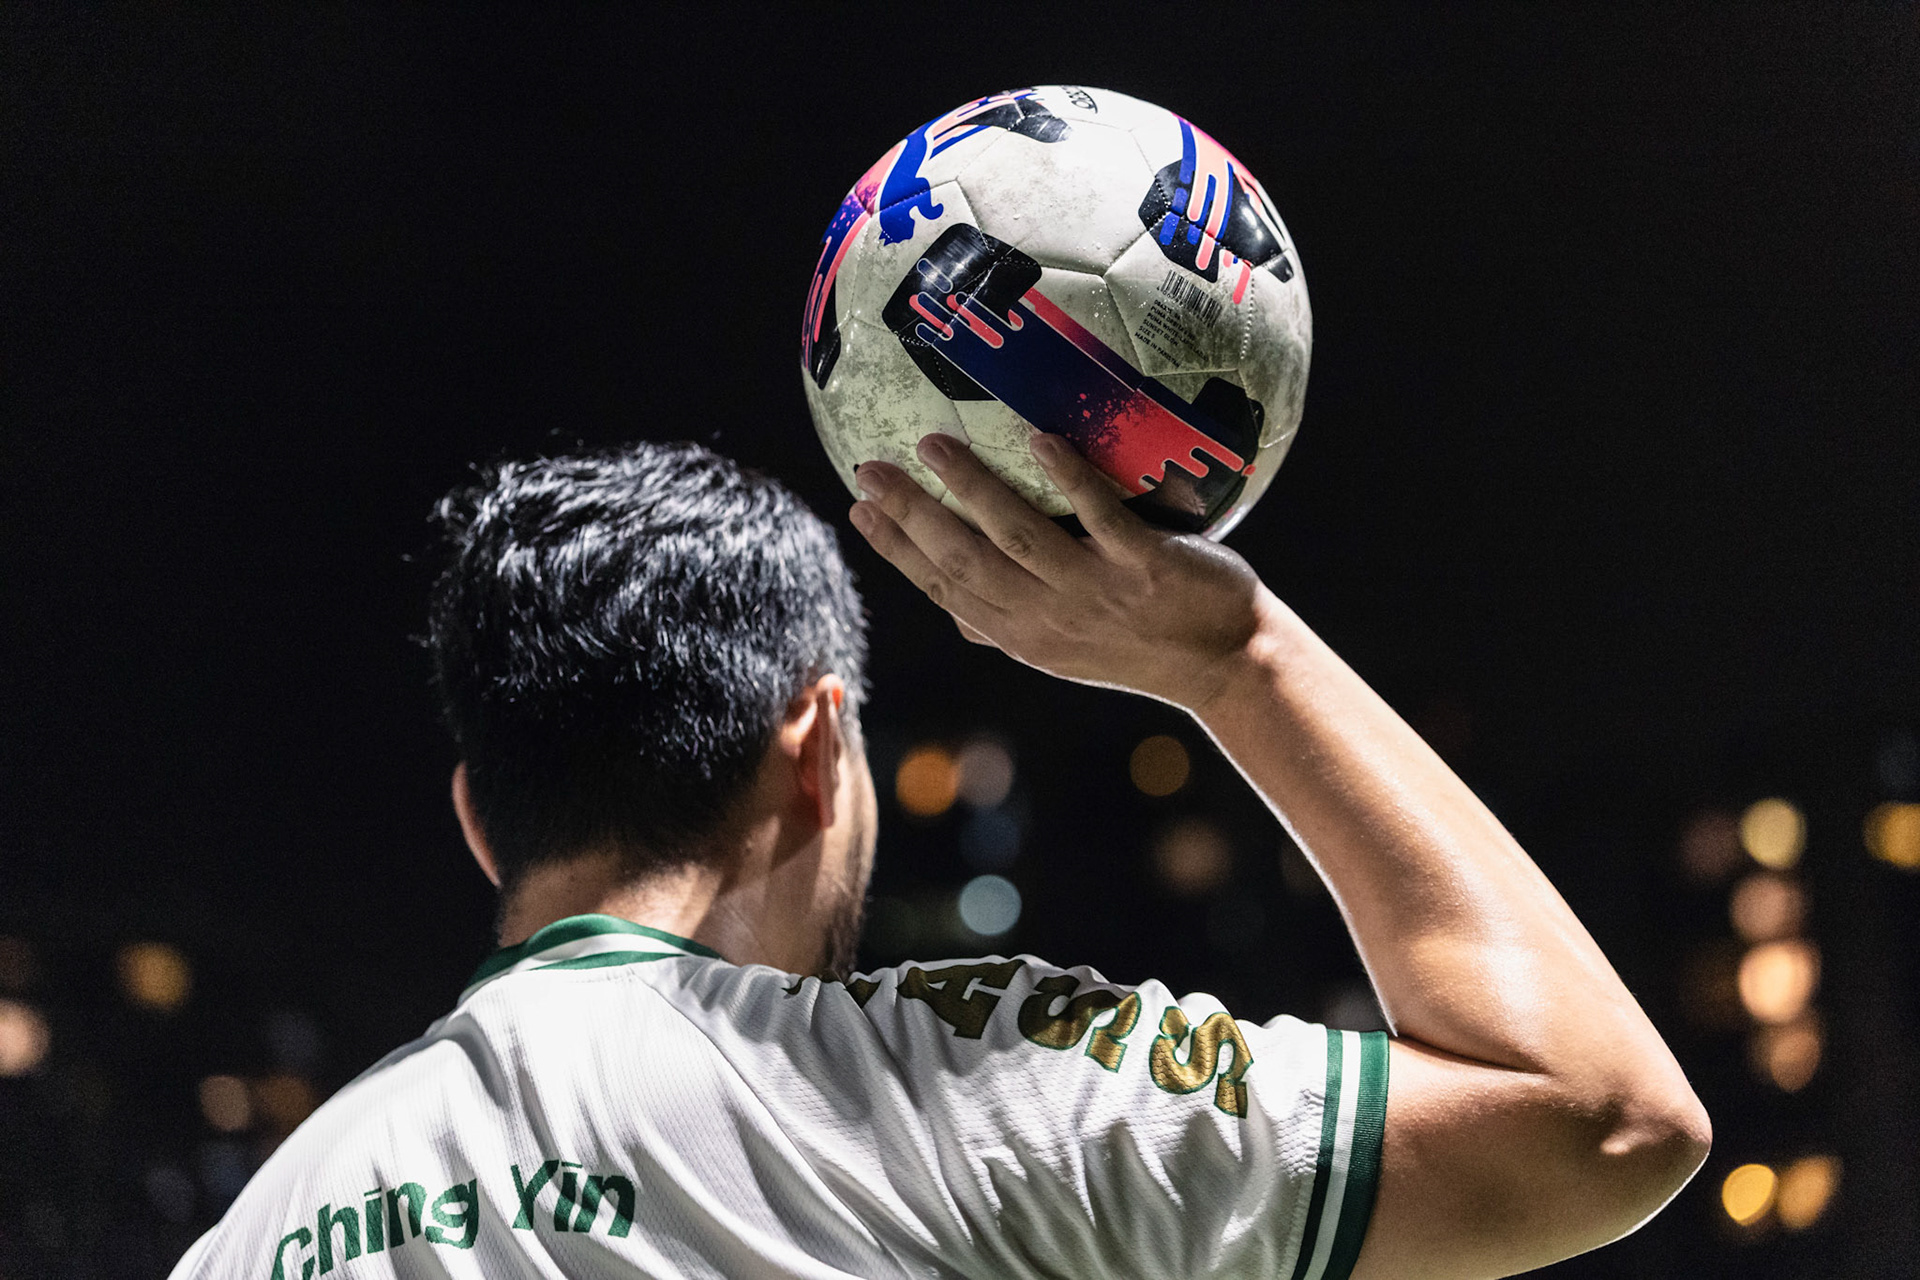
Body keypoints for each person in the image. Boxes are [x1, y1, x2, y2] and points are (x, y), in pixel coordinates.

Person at [170, 432, 1709, 1280]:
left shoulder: (254, 1231)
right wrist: (1236, 655)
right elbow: (1598, 1121)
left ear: (476, 817)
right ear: (820, 746)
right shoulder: (940, 1088)